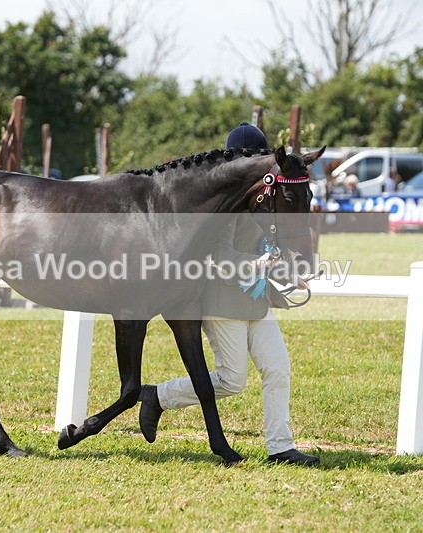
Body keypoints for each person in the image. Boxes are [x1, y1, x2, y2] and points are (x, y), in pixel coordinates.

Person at [139, 122, 320, 466]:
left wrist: (287, 274)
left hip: (257, 300)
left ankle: (280, 447)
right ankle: (157, 396)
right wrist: (257, 264)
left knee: (278, 368)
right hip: (223, 301)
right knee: (232, 381)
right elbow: (219, 255)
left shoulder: (266, 200)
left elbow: (267, 249)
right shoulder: (225, 205)